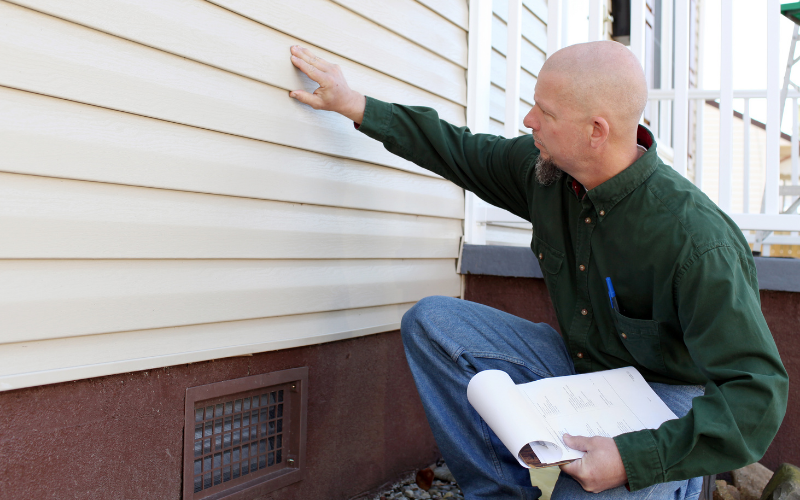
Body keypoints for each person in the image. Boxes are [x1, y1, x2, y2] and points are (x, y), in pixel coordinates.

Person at [288, 41, 788, 500]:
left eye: (544, 112)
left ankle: (676, 484)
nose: (528, 120)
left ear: (596, 131)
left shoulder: (697, 240)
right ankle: (501, 493)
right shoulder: (546, 173)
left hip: (662, 400)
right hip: (580, 368)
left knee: (592, 491)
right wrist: (355, 104)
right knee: (433, 323)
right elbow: (460, 150)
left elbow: (756, 396)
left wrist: (631, 459)